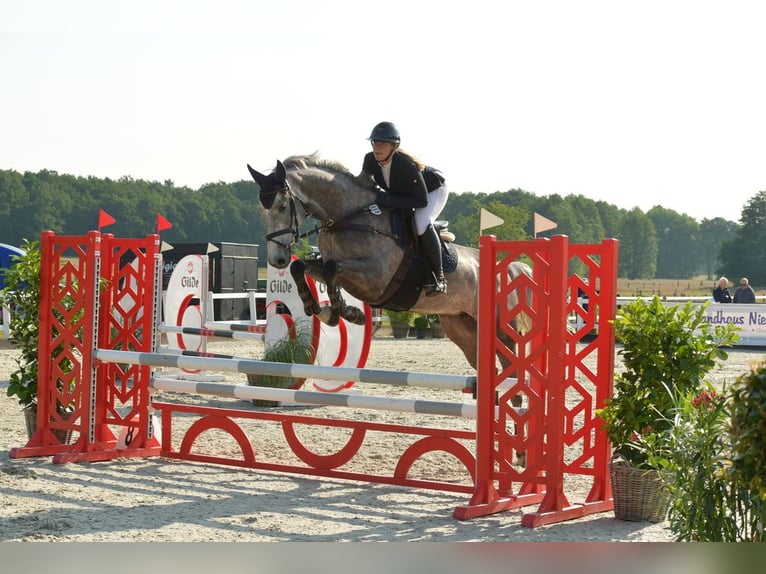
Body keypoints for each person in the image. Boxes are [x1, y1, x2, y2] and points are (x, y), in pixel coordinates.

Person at [361, 121, 448, 296]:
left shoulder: (405, 166)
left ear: (394, 146)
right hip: (405, 195)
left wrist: (387, 199)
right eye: (374, 142)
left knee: (420, 222)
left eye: (382, 143)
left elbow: (421, 201)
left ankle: (439, 278)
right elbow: (363, 185)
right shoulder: (370, 160)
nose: (377, 147)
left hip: (433, 190)